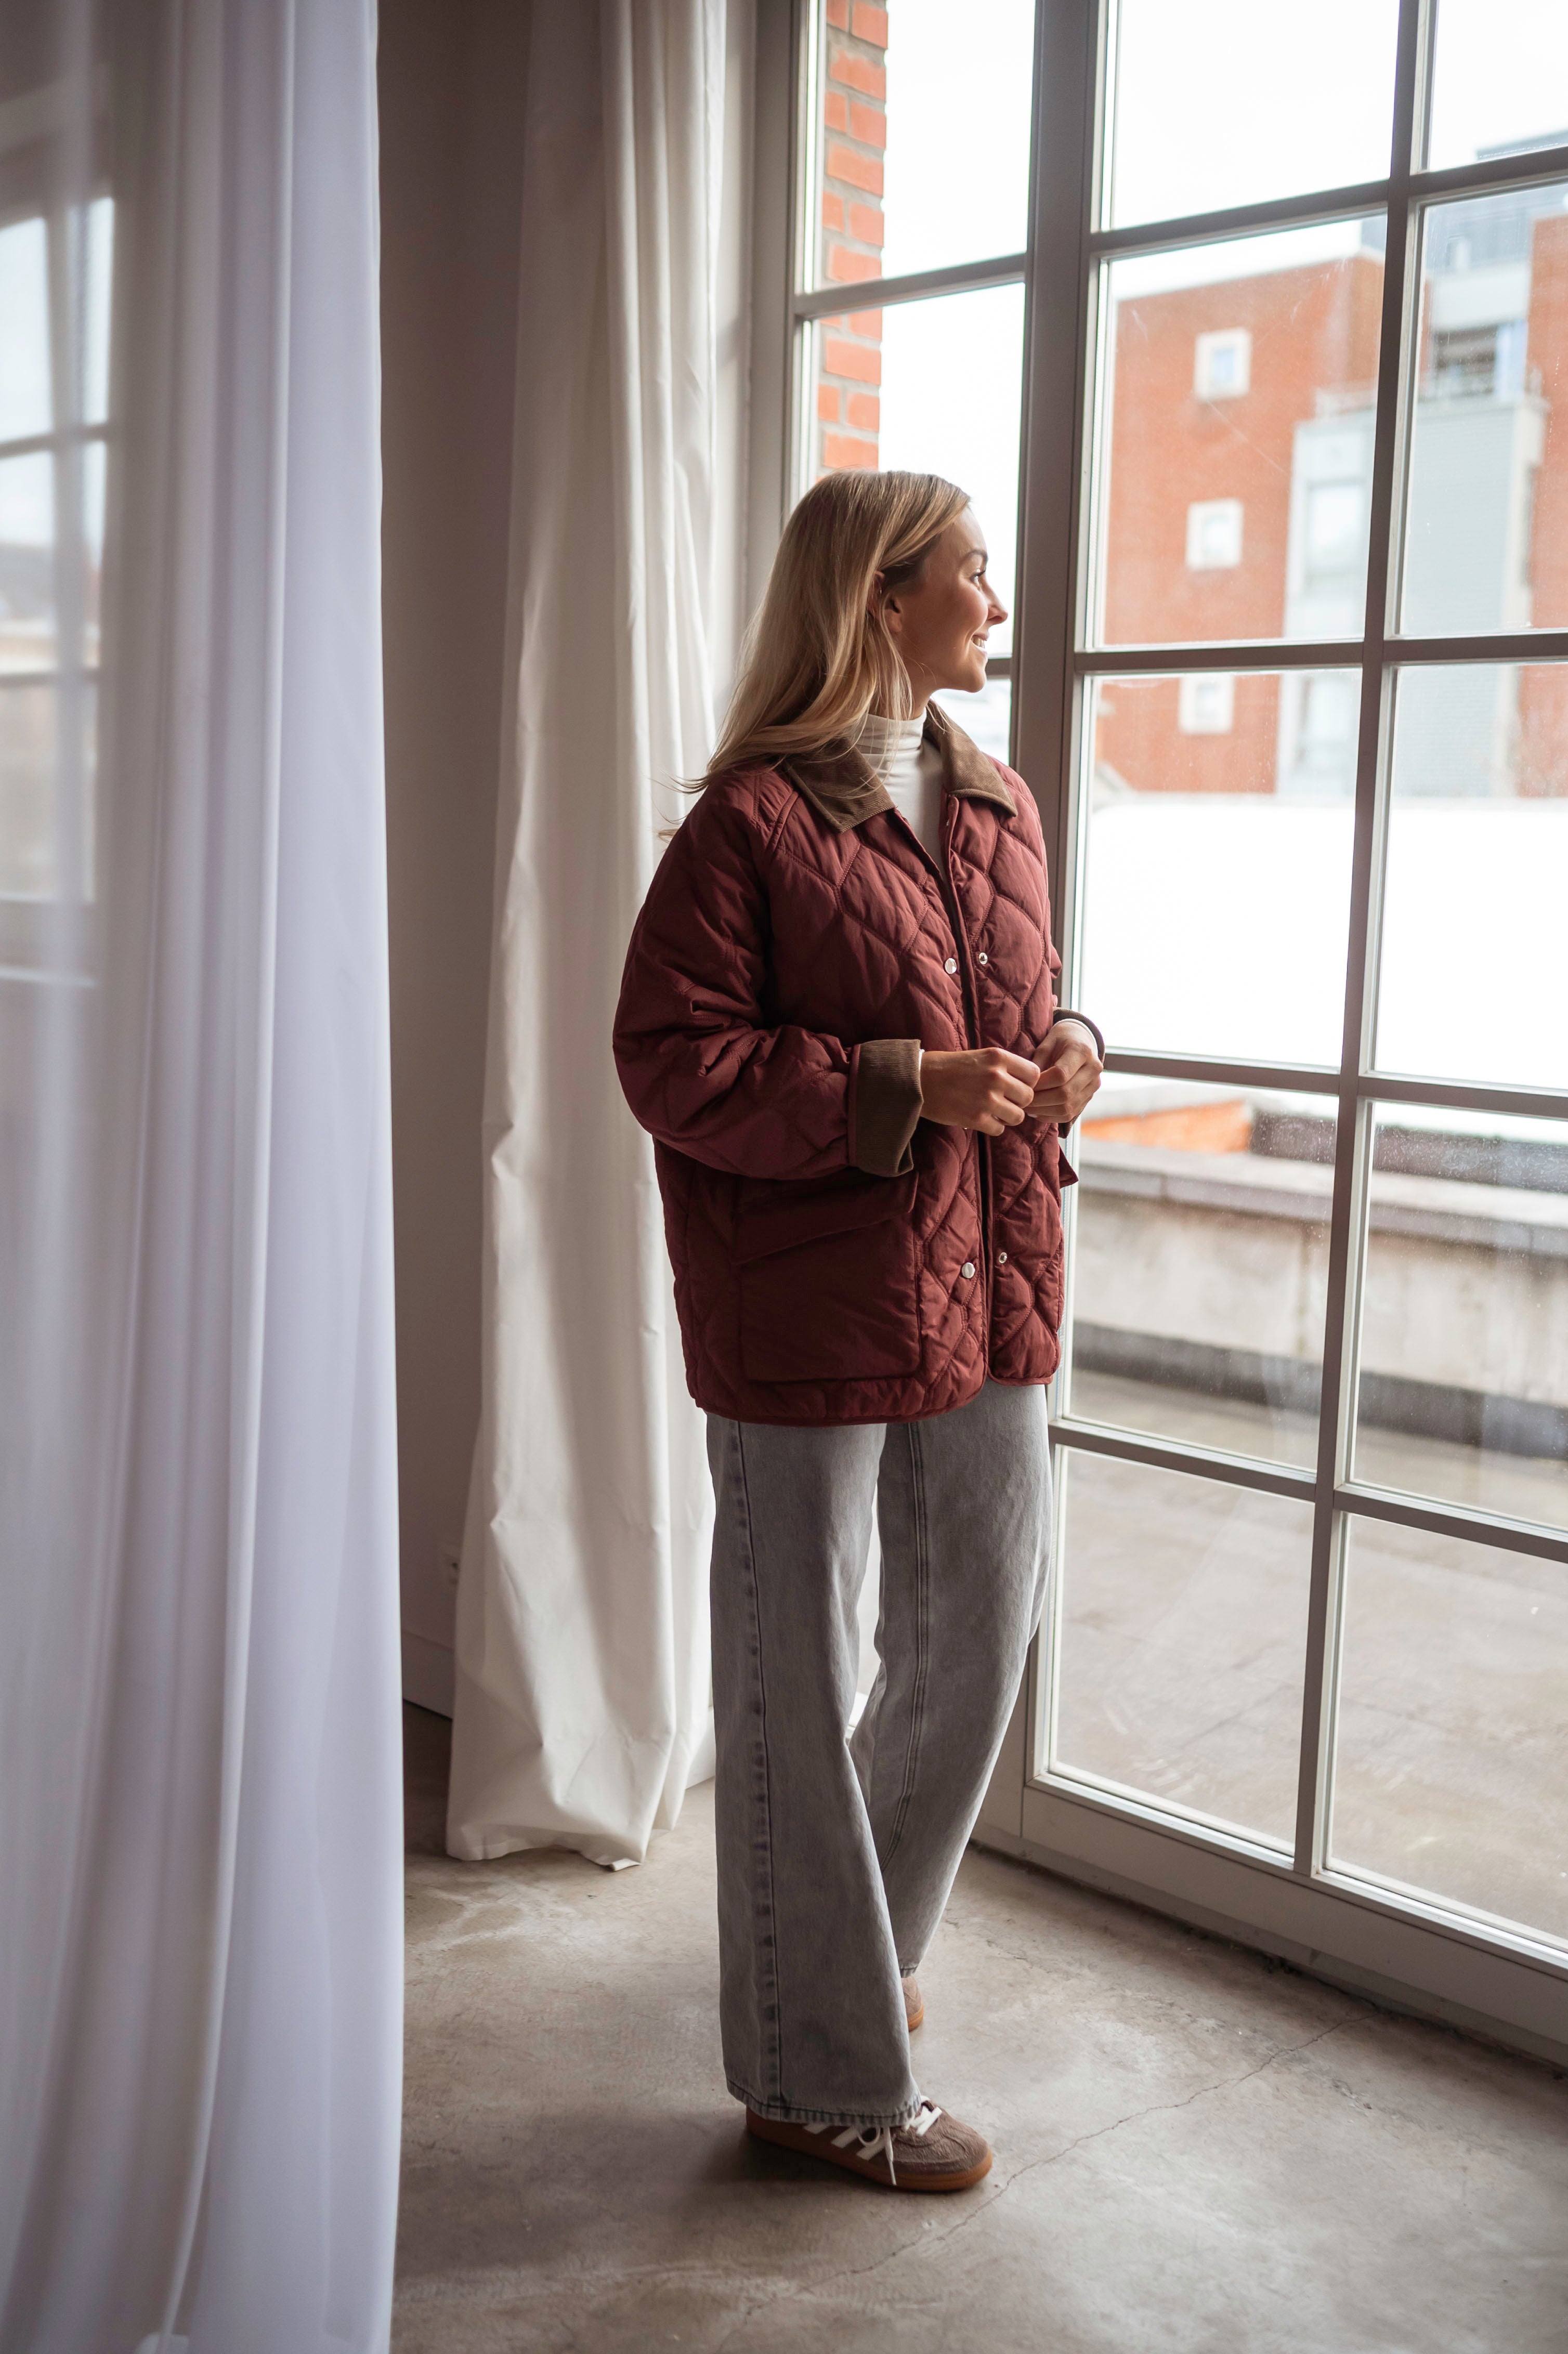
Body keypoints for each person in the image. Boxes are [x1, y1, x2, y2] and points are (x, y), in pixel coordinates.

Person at [613, 469, 1103, 2192]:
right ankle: (819, 2076)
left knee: (982, 1628)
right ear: (881, 597)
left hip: (993, 1276)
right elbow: (669, 1063)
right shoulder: (752, 824)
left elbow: (1020, 1002)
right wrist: (902, 1088)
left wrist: (1071, 1050)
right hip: (807, 1304)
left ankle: (851, 1967)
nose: (996, 592)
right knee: (793, 1677)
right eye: (972, 567)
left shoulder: (999, 800)